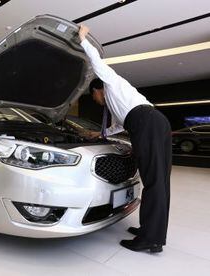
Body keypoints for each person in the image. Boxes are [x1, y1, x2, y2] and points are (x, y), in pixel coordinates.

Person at [78, 24, 172, 253]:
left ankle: (151, 238)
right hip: (149, 123)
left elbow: (98, 64)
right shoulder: (118, 101)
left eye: (94, 97)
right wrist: (100, 134)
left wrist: (82, 40)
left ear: (96, 90)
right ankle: (150, 231)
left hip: (146, 123)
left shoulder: (110, 82)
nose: (97, 101)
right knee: (157, 181)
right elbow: (120, 124)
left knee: (154, 182)